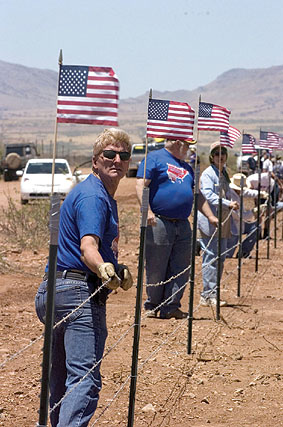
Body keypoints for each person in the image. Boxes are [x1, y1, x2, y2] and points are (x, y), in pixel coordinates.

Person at [35, 128, 134, 426]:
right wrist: (101, 267)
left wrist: (114, 268)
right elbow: (87, 246)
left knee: (61, 376)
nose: (117, 160)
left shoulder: (94, 192)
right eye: (109, 154)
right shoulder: (94, 196)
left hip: (56, 289)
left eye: (123, 155)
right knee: (84, 380)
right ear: (95, 161)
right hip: (78, 292)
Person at [136, 139, 218, 320]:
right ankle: (153, 305)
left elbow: (198, 196)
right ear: (176, 142)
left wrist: (210, 216)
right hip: (159, 221)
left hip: (182, 223)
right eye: (187, 145)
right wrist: (147, 210)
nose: (189, 149)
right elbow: (141, 184)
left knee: (181, 266)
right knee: (157, 265)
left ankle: (171, 306)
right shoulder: (154, 158)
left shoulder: (187, 167)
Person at [197, 142, 239, 307]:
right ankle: (207, 295)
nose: (220, 156)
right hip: (210, 222)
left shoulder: (224, 173)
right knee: (211, 258)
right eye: (216, 154)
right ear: (211, 157)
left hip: (224, 222)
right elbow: (206, 194)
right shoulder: (208, 174)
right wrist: (228, 203)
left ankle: (212, 292)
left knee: (220, 258)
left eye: (223, 153)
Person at [226, 173, 268, 258]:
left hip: (239, 224)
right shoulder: (230, 197)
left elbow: (248, 192)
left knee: (256, 228)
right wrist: (254, 212)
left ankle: (244, 252)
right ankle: (199, 244)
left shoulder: (238, 191)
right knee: (227, 255)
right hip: (231, 227)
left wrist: (260, 193)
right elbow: (240, 216)